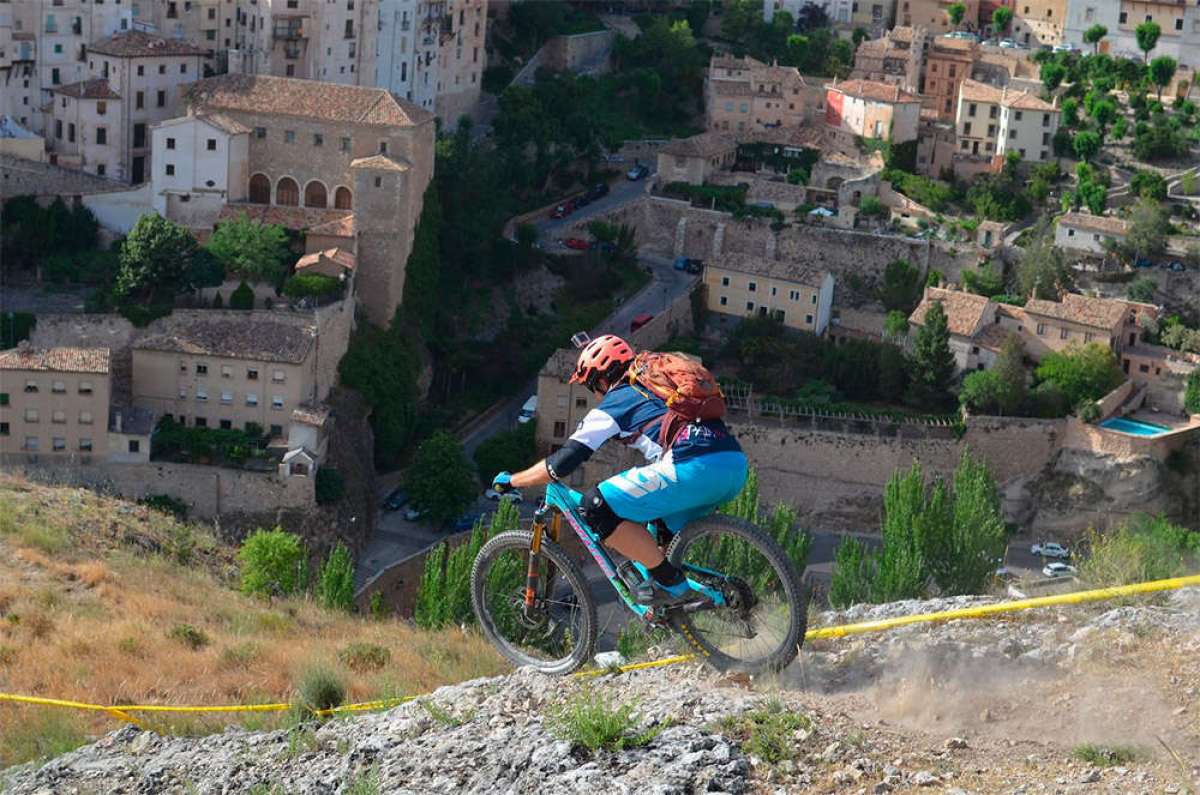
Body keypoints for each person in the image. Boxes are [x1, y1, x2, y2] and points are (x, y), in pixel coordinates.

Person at [492, 335, 747, 606]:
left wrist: (513, 481)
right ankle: (691, 603)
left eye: (593, 387)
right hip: (733, 466)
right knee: (657, 542)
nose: (596, 395)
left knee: (595, 505)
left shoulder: (617, 400)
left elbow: (560, 464)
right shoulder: (657, 386)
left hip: (692, 467)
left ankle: (672, 586)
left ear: (601, 380)